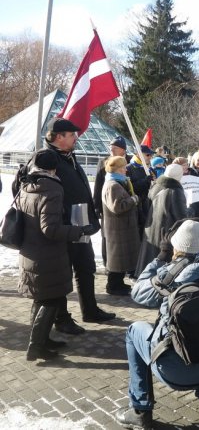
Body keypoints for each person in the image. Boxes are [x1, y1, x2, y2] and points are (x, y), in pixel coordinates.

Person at [115, 221, 199, 428]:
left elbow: (137, 292)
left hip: (174, 371)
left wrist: (160, 257)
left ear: (176, 247)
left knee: (134, 330)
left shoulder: (169, 274)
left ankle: (140, 409)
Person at [44, 117, 115, 334]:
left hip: (81, 224)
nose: (76, 137)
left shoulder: (69, 157)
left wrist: (92, 219)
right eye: (72, 134)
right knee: (62, 275)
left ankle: (90, 310)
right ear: (59, 137)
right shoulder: (48, 159)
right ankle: (62, 319)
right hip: (63, 228)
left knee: (86, 268)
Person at [18, 149, 88, 360]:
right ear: (53, 168)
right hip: (47, 255)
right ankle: (36, 345)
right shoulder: (52, 188)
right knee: (51, 299)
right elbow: (50, 228)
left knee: (41, 299)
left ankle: (40, 340)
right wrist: (78, 230)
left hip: (31, 252)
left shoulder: (27, 184)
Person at [135, 164, 188, 277]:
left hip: (151, 228)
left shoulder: (156, 185)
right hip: (166, 231)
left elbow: (147, 205)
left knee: (150, 260)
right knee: (162, 262)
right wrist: (191, 211)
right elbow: (181, 216)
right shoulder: (176, 190)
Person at [101, 156, 141, 296]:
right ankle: (113, 286)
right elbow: (117, 207)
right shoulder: (113, 185)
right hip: (117, 228)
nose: (125, 170)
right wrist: (133, 199)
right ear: (117, 169)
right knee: (116, 258)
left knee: (119, 258)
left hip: (120, 226)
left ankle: (118, 284)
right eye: (123, 167)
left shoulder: (117, 182)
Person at [93, 135, 130, 266]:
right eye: (111, 147)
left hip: (127, 205)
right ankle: (107, 262)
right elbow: (98, 185)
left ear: (123, 150)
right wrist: (96, 206)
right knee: (107, 236)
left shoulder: (130, 162)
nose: (111, 150)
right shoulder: (103, 162)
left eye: (115, 148)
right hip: (108, 205)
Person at [127, 145, 156, 240]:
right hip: (136, 207)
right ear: (138, 154)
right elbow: (130, 189)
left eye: (151, 155)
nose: (150, 157)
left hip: (149, 206)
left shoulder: (150, 169)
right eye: (147, 155)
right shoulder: (129, 168)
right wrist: (145, 181)